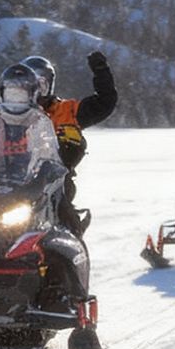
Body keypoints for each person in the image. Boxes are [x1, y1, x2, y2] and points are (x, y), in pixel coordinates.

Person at [25, 49, 117, 235]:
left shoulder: (67, 110)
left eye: (41, 85)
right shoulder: (9, 115)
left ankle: (70, 249)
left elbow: (105, 103)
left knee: (65, 216)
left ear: (49, 85)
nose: (36, 92)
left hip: (54, 184)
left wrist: (101, 71)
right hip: (12, 181)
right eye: (29, 86)